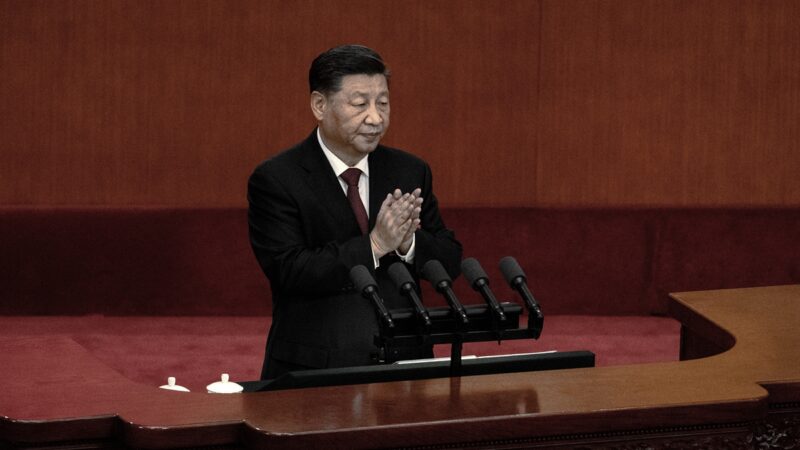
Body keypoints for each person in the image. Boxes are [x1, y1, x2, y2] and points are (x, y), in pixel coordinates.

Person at [248, 45, 462, 380]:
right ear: (320, 105)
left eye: (383, 103)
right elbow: (290, 270)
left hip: (405, 365)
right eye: (360, 104)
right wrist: (374, 245)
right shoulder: (277, 178)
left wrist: (408, 244)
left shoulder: (409, 171)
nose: (375, 118)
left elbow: (449, 260)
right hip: (316, 370)